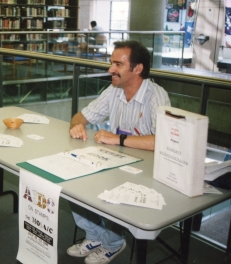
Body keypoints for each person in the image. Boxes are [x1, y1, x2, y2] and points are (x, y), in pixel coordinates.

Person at [67, 40, 171, 264]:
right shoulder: (113, 91)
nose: (110, 70)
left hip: (147, 171)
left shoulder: (156, 96)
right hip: (116, 161)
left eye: (118, 64)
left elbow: (165, 141)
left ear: (138, 68)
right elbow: (80, 117)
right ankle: (94, 236)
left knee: (114, 185)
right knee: (71, 179)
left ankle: (114, 243)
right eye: (111, 63)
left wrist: (119, 139)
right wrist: (76, 125)